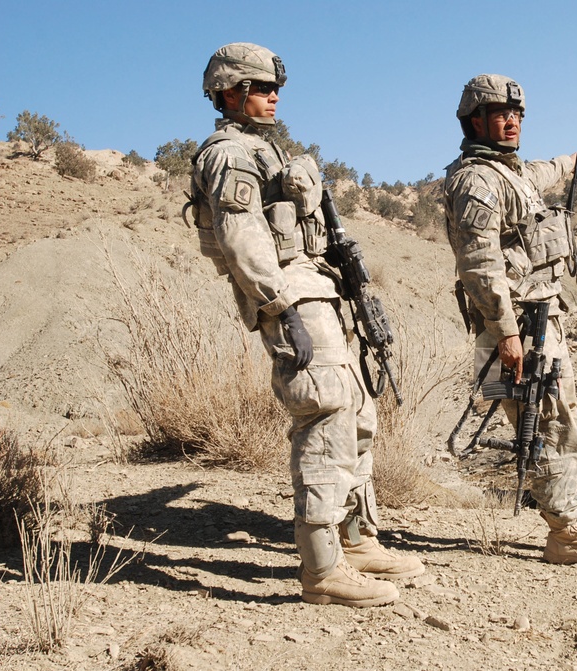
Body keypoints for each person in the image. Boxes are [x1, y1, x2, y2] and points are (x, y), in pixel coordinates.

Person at [189, 43, 423, 608]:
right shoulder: (230, 155)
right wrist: (279, 307)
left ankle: (357, 538)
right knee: (324, 413)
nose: (273, 98)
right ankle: (322, 568)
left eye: (275, 89)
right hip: (293, 299)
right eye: (262, 88)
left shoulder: (266, 150)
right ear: (231, 92)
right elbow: (242, 241)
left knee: (358, 416)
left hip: (321, 291)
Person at [443, 74, 577, 565]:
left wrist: (569, 164)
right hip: (516, 327)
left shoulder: (510, 172)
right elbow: (479, 264)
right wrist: (505, 333)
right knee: (539, 421)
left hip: (541, 319)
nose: (512, 121)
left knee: (562, 417)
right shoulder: (476, 181)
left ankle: (575, 517)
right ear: (475, 121)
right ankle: (565, 533)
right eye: (502, 114)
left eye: (518, 115)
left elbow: (540, 174)